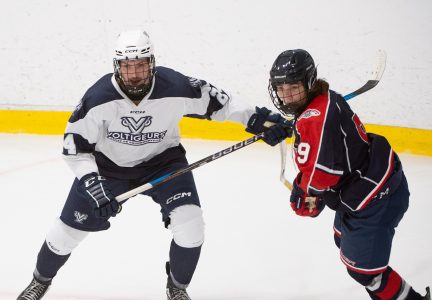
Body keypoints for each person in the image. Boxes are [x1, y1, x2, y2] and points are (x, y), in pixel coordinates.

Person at [17, 30, 292, 300]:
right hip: (108, 169)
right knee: (65, 233)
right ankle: (39, 281)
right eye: (127, 66)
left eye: (140, 65)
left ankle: (177, 287)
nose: (134, 73)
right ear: (117, 66)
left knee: (191, 226)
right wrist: (91, 181)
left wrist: (258, 121)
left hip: (164, 164)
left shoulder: (177, 87)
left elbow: (222, 103)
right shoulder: (97, 98)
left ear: (152, 63)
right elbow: (74, 148)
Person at [268, 49, 431, 300]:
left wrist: (306, 195)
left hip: (375, 199)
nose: (286, 93)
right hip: (363, 185)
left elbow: (322, 173)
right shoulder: (323, 100)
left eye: (293, 86)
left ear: (308, 82)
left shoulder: (316, 117)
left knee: (365, 274)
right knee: (342, 241)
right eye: (281, 87)